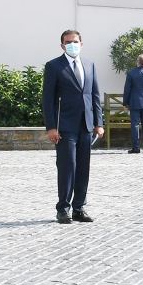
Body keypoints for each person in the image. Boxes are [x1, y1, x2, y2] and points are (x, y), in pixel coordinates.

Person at [43, 29, 103, 224]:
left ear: (81, 43)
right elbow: (48, 99)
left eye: (75, 41)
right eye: (68, 42)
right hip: (65, 126)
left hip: (86, 125)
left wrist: (99, 123)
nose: (72, 44)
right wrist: (51, 127)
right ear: (62, 45)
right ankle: (63, 208)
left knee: (83, 168)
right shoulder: (53, 66)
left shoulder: (89, 64)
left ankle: (79, 207)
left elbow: (94, 95)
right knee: (67, 167)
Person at [122, 54, 143, 154]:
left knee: (135, 125)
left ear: (138, 61)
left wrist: (125, 102)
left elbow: (127, 89)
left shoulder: (131, 73)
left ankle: (136, 148)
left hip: (135, 102)